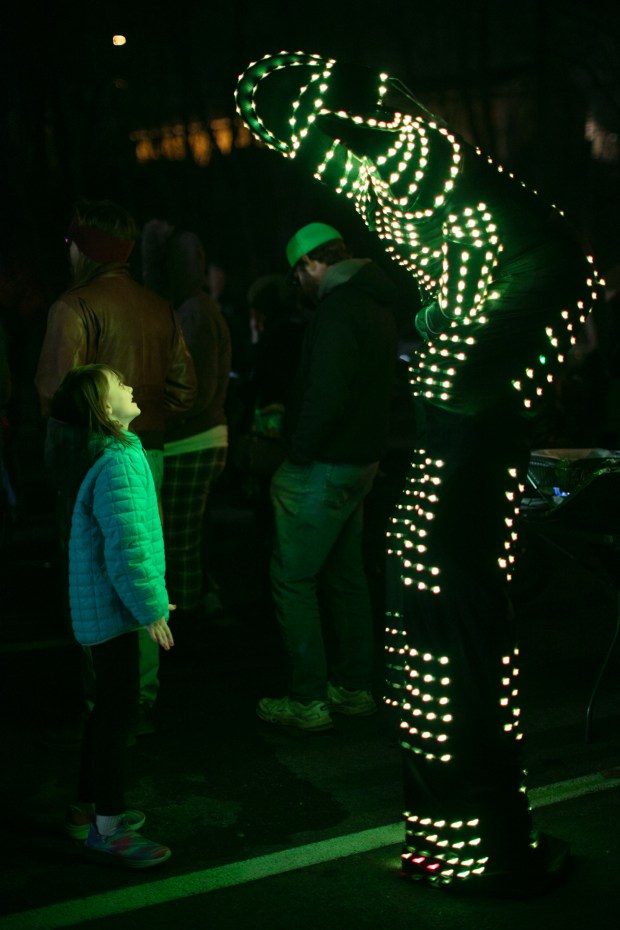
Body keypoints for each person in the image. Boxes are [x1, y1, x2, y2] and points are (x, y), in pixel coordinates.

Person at [236, 52, 602, 895]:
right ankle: (446, 833)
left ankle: (486, 842)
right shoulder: (367, 185)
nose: (299, 142)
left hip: (527, 303)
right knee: (430, 586)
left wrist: (338, 113)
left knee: (456, 577)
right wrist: (446, 306)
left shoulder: (406, 148)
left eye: (301, 123)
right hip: (488, 334)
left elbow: (394, 148)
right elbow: (445, 255)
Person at [35, 199, 196, 733]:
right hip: (146, 455)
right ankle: (139, 699)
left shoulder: (72, 308)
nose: (68, 252)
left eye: (70, 243)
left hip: (92, 460)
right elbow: (183, 391)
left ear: (87, 247)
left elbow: (55, 395)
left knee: (93, 579)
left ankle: (104, 707)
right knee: (143, 569)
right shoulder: (158, 307)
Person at [257, 222, 398, 732]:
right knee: (346, 576)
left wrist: (296, 451)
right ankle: (355, 687)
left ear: (309, 265)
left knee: (293, 578)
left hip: (324, 464)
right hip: (363, 461)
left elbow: (326, 393)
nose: (300, 289)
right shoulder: (377, 303)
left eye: (299, 277)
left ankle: (308, 699)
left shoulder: (339, 310)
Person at [48, 364, 174, 868]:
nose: (130, 386)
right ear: (105, 410)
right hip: (112, 611)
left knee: (106, 712)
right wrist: (151, 608)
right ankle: (109, 825)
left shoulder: (119, 453)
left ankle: (85, 809)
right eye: (119, 385)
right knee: (118, 718)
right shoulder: (118, 463)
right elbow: (129, 549)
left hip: (107, 607)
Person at [142, 222, 232, 618]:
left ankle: (189, 621)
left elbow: (196, 390)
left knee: (178, 541)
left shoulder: (192, 311)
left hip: (191, 439)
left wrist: (160, 417)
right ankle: (193, 613)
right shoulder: (194, 308)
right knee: (184, 538)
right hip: (198, 437)